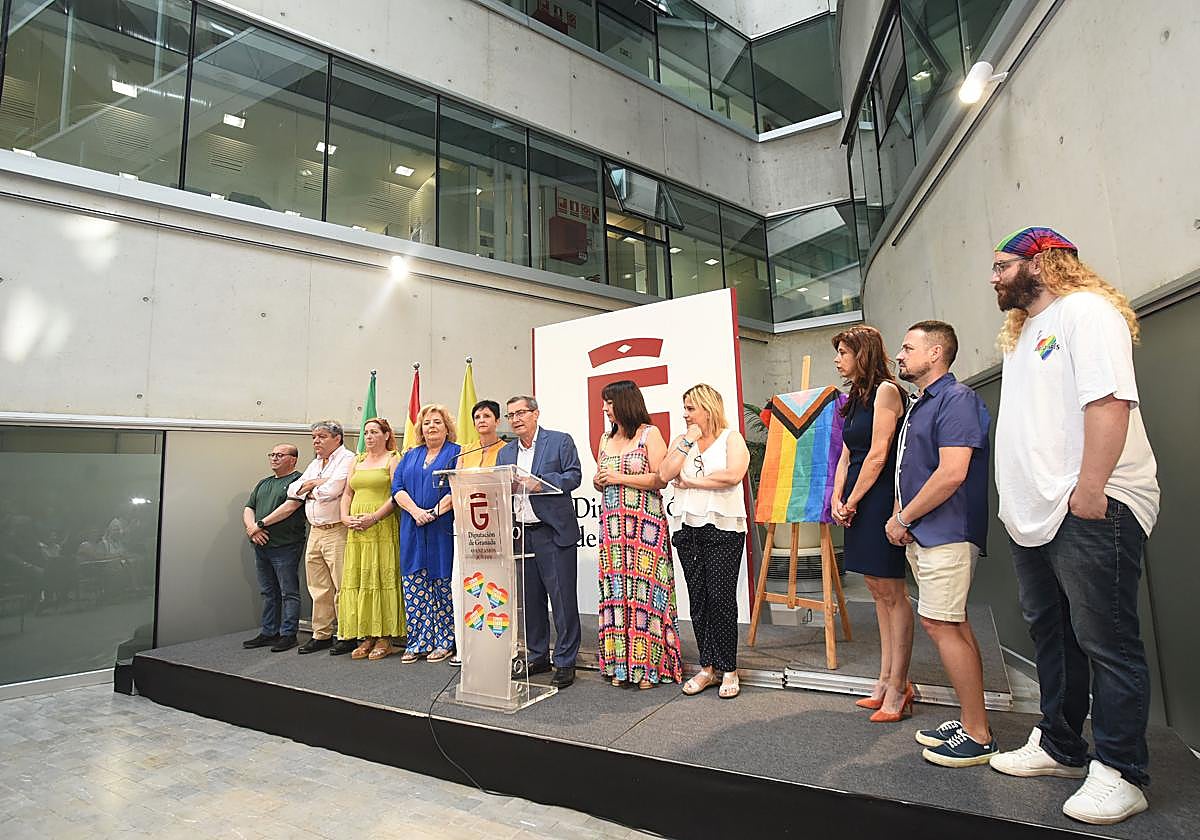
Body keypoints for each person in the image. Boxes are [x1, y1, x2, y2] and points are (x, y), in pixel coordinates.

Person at [986, 228, 1159, 825]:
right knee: (1053, 636)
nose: (993, 277)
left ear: (1042, 262)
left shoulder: (1087, 310)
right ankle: (1061, 746)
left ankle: (1122, 771)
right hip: (1036, 517)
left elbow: (1108, 402)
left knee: (1107, 642)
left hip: (1090, 506)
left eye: (1002, 265)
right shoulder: (1020, 336)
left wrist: (1090, 491)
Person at [885, 321, 995, 766]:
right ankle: (971, 718)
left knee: (941, 624)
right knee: (953, 623)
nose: (900, 354)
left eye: (908, 347)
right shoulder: (919, 405)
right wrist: (901, 515)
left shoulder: (957, 399)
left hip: (946, 532)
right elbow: (909, 470)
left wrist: (904, 517)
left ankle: (979, 733)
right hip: (924, 531)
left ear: (935, 353)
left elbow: (952, 473)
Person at [828, 326, 911, 721]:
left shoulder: (886, 392)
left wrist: (854, 500)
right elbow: (847, 455)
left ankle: (899, 685)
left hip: (878, 499)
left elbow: (879, 456)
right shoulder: (854, 398)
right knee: (877, 591)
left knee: (893, 593)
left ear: (862, 353)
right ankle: (884, 678)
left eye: (843, 351)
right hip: (857, 498)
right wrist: (836, 497)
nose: (837, 359)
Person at [659, 384, 749, 700]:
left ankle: (729, 669)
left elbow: (733, 474)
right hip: (688, 528)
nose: (685, 414)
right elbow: (665, 472)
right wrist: (687, 441)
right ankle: (708, 667)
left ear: (708, 408)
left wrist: (693, 482)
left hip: (723, 528)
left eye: (691, 408)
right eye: (684, 408)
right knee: (698, 600)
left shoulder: (731, 438)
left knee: (721, 600)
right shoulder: (683, 441)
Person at [593, 380, 683, 689]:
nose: (604, 408)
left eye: (608, 402)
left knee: (646, 592)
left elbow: (660, 479)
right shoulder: (606, 438)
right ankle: (621, 665)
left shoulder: (649, 434)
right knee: (618, 591)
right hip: (613, 526)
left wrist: (617, 476)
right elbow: (600, 479)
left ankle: (648, 667)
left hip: (644, 524)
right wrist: (600, 479)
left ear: (624, 403)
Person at [496, 396, 583, 689]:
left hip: (552, 532)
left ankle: (565, 660)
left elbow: (574, 476)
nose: (516, 419)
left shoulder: (559, 441)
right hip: (521, 534)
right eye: (511, 415)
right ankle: (537, 656)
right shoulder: (505, 452)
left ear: (535, 414)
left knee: (561, 600)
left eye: (521, 412)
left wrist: (540, 481)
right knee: (530, 602)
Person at [391, 404, 461, 663]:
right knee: (415, 584)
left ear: (447, 427)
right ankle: (418, 640)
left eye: (437, 422)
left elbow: (458, 489)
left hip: (441, 527)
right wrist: (416, 511)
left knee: (442, 585)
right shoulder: (410, 455)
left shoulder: (457, 453)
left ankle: (445, 641)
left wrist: (432, 512)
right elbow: (396, 487)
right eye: (427, 422)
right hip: (412, 527)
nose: (431, 426)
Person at [338, 418, 404, 661]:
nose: (369, 436)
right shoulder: (357, 460)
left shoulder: (393, 458)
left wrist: (374, 517)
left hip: (381, 526)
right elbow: (347, 492)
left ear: (386, 435)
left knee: (380, 576)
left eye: (374, 432)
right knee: (361, 579)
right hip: (357, 529)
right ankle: (366, 635)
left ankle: (385, 637)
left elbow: (397, 494)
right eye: (366, 432)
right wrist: (344, 517)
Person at [288, 421, 357, 656]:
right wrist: (314, 485)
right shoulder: (316, 462)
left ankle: (347, 634)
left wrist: (311, 488)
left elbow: (333, 491)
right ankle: (321, 634)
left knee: (341, 585)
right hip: (315, 531)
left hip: (337, 530)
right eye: (314, 437)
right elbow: (291, 489)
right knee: (317, 587)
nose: (316, 441)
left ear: (337, 438)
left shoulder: (347, 458)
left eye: (322, 436)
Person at [450, 399, 506, 665]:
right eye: (477, 417)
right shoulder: (464, 452)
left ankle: (498, 647)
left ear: (497, 421)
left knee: (495, 585)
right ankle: (468, 647)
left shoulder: (507, 450)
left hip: (497, 524)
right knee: (467, 583)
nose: (481, 420)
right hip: (467, 524)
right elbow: (456, 483)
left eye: (486, 416)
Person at [241, 444, 306, 652]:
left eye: (280, 455)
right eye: (272, 454)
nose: (274, 458)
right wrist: (252, 528)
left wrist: (260, 525)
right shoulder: (264, 483)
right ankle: (269, 632)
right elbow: (249, 508)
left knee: (288, 592)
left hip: (286, 545)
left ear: (293, 459)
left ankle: (288, 634)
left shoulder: (298, 480)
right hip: (261, 545)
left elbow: (290, 507)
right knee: (268, 591)